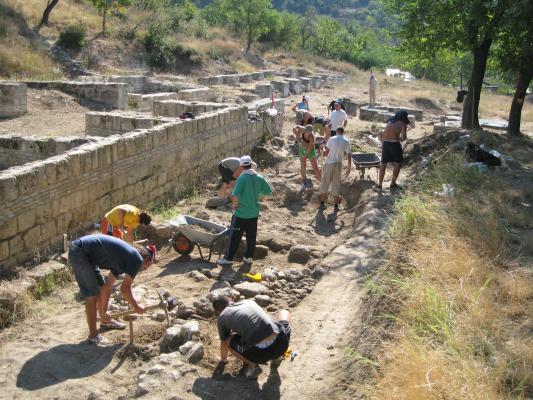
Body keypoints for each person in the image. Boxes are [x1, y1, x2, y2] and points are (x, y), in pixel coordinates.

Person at [68, 234, 156, 344]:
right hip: (80, 252)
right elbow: (124, 289)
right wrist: (136, 306)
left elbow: (107, 286)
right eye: (147, 266)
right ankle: (93, 336)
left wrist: (103, 312)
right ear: (146, 258)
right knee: (92, 295)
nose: (144, 270)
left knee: (100, 287)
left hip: (84, 253)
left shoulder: (123, 259)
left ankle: (105, 321)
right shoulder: (136, 259)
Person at [212, 295, 291, 379]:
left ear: (218, 311)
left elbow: (223, 343)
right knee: (284, 312)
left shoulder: (222, 317)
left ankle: (253, 366)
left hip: (260, 355)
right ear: (230, 299)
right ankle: (277, 357)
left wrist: (223, 360)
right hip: (281, 343)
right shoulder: (248, 301)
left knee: (228, 340)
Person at [218, 156, 273, 266]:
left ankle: (228, 258)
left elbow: (234, 196)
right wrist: (258, 197)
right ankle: (248, 257)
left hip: (240, 214)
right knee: (251, 236)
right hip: (253, 213)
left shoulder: (242, 178)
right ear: (251, 164)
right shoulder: (259, 177)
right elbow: (269, 191)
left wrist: (234, 205)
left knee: (234, 237)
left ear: (242, 166)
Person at [377, 110, 413, 190]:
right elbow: (403, 138)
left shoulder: (390, 121)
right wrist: (400, 137)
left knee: (383, 164)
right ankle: (393, 184)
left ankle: (379, 185)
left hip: (385, 144)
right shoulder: (403, 123)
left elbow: (386, 133)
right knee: (398, 163)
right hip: (394, 144)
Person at [319, 127, 351, 212]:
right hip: (339, 164)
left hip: (329, 163)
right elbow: (349, 154)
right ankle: (336, 206)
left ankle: (322, 204)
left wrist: (322, 149)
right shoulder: (346, 141)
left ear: (337, 132)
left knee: (325, 181)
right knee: (336, 183)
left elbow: (326, 153)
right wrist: (349, 167)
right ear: (342, 133)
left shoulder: (332, 139)